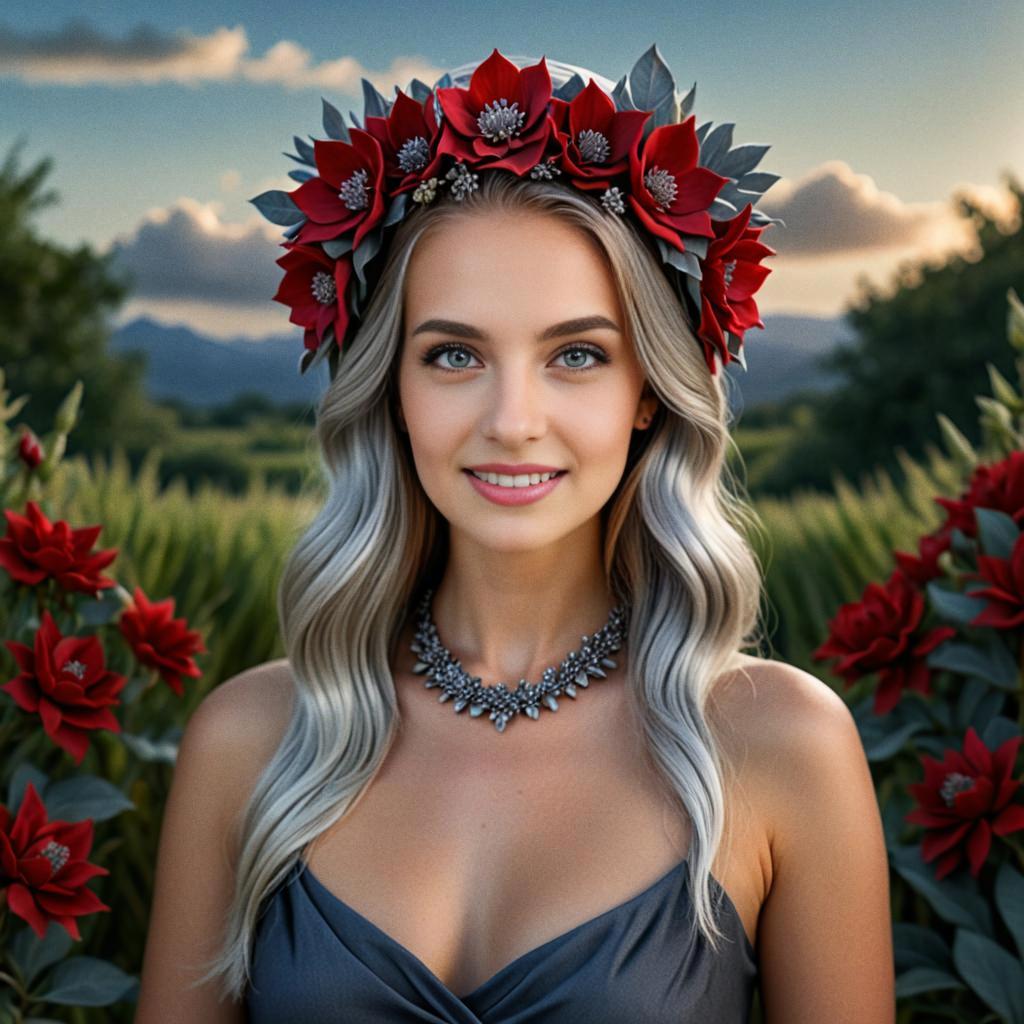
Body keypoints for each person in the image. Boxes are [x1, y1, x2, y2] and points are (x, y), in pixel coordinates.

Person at [135, 48, 895, 1023]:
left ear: (648, 396)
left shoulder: (778, 745)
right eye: (453, 354)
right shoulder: (252, 742)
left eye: (576, 354)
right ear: (391, 391)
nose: (512, 418)